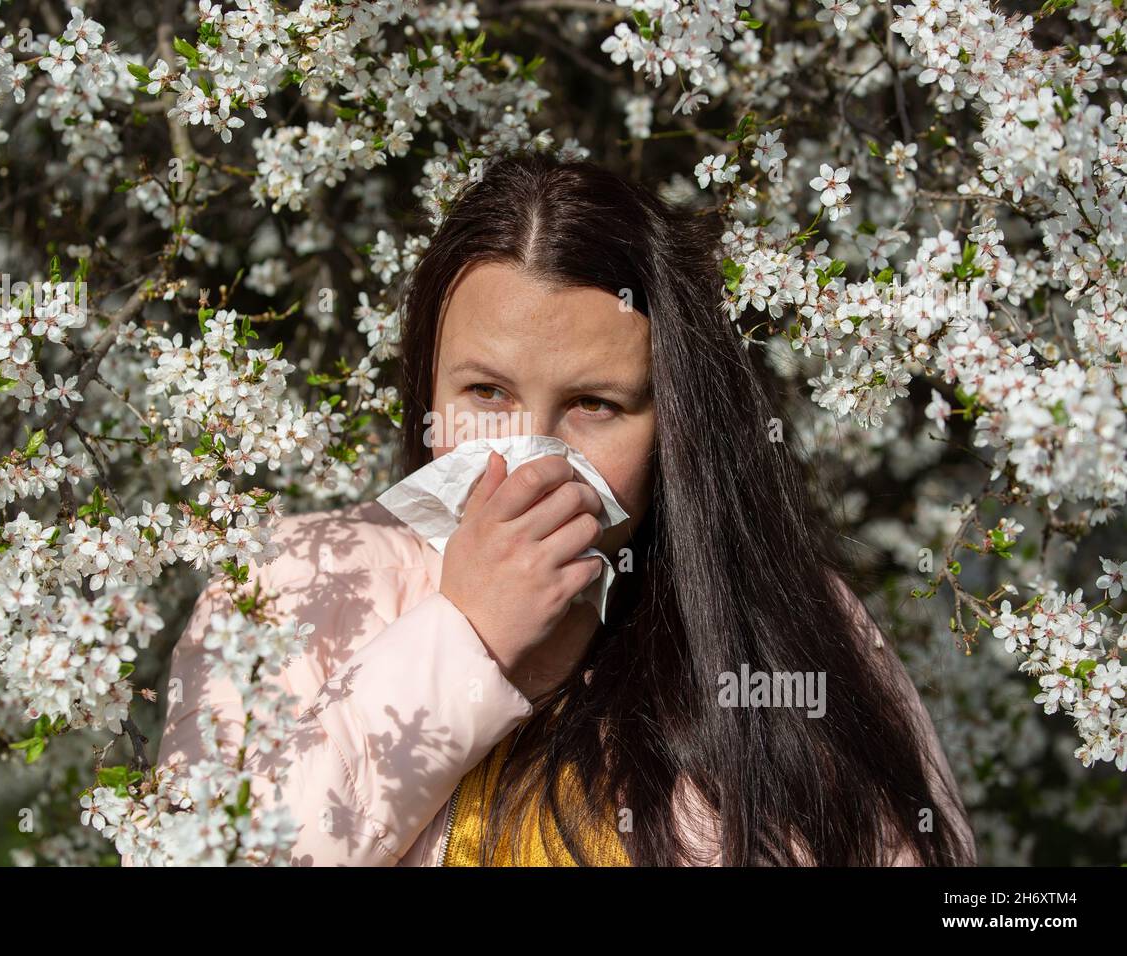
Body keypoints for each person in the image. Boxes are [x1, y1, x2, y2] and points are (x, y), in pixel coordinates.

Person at [153, 148, 975, 866]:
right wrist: (463, 641)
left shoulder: (780, 623)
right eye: (485, 393)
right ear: (427, 390)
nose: (531, 459)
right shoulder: (297, 588)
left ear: (675, 425)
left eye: (594, 405)